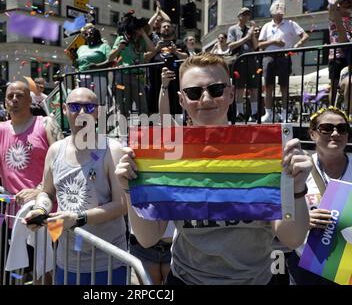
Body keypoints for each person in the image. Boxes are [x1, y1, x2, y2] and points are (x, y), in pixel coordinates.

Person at [116, 53, 312, 285]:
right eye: (194, 92)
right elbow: (148, 238)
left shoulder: (263, 151)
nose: (206, 99)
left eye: (216, 89)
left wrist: (297, 188)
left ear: (230, 94)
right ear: (181, 100)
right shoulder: (169, 155)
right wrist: (130, 188)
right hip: (186, 280)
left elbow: (291, 238)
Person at [0, 77, 64, 282]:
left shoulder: (46, 123)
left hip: (47, 214)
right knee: (18, 273)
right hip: (13, 219)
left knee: (47, 274)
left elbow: (63, 162)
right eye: (10, 96)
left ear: (30, 100)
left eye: (20, 96)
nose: (15, 99)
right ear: (5, 102)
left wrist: (40, 191)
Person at [24, 87, 127, 285]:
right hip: (67, 260)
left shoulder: (111, 149)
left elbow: (121, 205)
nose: (81, 113)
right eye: (74, 107)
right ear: (64, 109)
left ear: (97, 112)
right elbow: (47, 192)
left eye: (89, 107)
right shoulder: (55, 150)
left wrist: (78, 218)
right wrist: (40, 209)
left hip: (108, 261)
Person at [287, 106, 352, 285]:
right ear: (312, 134)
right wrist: (303, 220)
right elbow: (280, 214)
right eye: (327, 128)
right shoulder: (299, 169)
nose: (335, 133)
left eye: (342, 128)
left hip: (348, 267)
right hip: (305, 266)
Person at [258, 1, 309, 123]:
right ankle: (268, 113)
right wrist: (273, 42)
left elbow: (305, 35)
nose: (280, 10)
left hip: (284, 56)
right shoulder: (266, 26)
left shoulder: (291, 23)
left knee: (284, 86)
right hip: (269, 56)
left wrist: (298, 44)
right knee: (268, 86)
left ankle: (285, 114)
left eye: (281, 8)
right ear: (272, 11)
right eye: (277, 7)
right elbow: (259, 45)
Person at [108, 12, 156, 117]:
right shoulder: (121, 39)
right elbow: (110, 57)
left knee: (142, 107)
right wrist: (119, 48)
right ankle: (123, 132)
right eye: (138, 28)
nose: (140, 29)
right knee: (123, 106)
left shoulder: (142, 40)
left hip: (138, 77)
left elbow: (152, 49)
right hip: (122, 77)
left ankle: (144, 131)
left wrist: (143, 34)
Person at [145, 20, 187, 115]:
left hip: (175, 82)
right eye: (164, 27)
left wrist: (176, 52)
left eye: (169, 26)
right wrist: (156, 49)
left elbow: (187, 58)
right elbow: (145, 58)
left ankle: (176, 128)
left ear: (173, 29)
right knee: (155, 110)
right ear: (160, 30)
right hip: (156, 82)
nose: (166, 28)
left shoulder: (179, 43)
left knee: (175, 109)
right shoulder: (154, 42)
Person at [227, 7, 259, 122]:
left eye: (248, 14)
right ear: (239, 16)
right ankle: (239, 112)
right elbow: (230, 46)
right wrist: (246, 37)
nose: (246, 16)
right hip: (239, 60)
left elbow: (255, 47)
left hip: (251, 60)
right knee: (239, 88)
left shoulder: (250, 29)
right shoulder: (233, 29)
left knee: (253, 88)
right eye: (244, 14)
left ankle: (254, 113)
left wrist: (253, 35)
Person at [327, 0, 352, 105]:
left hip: (350, 55)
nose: (348, 5)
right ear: (339, 5)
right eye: (345, 3)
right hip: (337, 55)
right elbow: (331, 7)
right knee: (334, 84)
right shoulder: (334, 16)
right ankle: (331, 108)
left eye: (350, 3)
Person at [75, 24, 112, 105]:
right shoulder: (81, 48)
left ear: (97, 36)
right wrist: (73, 60)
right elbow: (77, 64)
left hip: (98, 77)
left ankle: (99, 117)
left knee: (97, 102)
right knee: (83, 101)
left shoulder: (104, 46)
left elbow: (111, 61)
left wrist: (97, 66)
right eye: (86, 34)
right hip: (82, 77)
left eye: (91, 34)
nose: (88, 36)